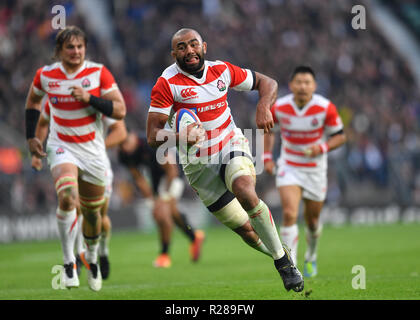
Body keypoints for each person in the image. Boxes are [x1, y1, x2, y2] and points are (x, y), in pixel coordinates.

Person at [146, 28, 304, 292]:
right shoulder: (167, 83)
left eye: (194, 45)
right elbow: (152, 135)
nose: (189, 51)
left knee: (244, 190)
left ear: (204, 46)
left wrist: (263, 106)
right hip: (197, 165)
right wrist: (179, 136)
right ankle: (282, 253)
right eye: (182, 47)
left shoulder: (222, 71)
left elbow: (269, 83)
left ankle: (282, 265)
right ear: (174, 54)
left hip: (229, 145)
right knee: (246, 231)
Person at [25, 26, 126, 291]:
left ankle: (92, 256)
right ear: (59, 50)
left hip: (93, 152)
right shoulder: (46, 76)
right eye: (70, 47)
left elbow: (120, 110)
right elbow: (34, 104)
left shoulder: (97, 73)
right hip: (62, 148)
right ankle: (69, 262)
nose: (76, 51)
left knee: (93, 214)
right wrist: (31, 139)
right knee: (68, 196)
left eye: (80, 47)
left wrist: (90, 98)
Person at [263, 66, 346, 277]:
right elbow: (269, 129)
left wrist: (322, 148)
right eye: (298, 82)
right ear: (291, 85)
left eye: (307, 82)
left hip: (315, 169)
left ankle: (311, 255)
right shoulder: (280, 106)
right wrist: (266, 157)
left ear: (314, 86)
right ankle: (291, 266)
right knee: (290, 213)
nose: (302, 86)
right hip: (289, 166)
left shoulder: (325, 107)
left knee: (312, 221)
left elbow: (340, 136)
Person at [32, 100, 127, 280]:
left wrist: (95, 149)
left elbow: (121, 132)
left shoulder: (99, 100)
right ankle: (77, 255)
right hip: (68, 159)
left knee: (99, 214)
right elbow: (43, 121)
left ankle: (103, 252)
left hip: (96, 163)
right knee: (72, 203)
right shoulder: (59, 98)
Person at [118, 131, 205, 268]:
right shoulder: (123, 154)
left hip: (174, 174)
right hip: (157, 178)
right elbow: (139, 179)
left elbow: (172, 170)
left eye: (126, 142)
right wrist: (150, 200)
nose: (124, 147)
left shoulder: (150, 146)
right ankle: (194, 236)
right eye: (121, 145)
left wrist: (163, 197)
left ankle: (164, 255)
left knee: (163, 214)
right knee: (171, 212)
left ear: (133, 136)